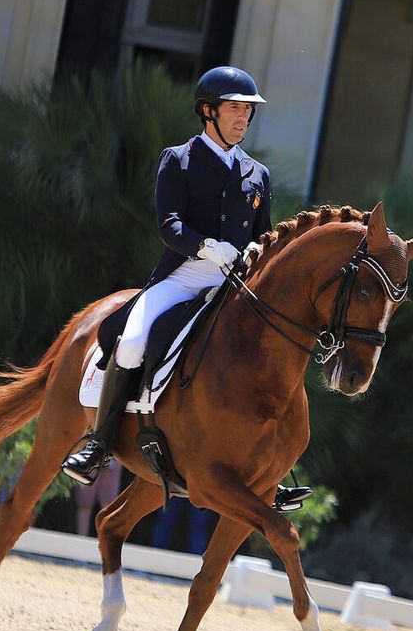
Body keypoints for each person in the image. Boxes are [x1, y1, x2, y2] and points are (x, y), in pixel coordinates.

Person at [60, 66, 309, 512]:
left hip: (237, 283)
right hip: (186, 274)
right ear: (208, 111)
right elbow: (169, 225)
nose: (243, 119)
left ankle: (275, 470)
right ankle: (99, 443)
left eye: (247, 111)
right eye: (234, 109)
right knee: (133, 341)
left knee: (271, 354)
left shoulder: (258, 173)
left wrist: (253, 251)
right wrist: (207, 247)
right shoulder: (179, 158)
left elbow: (265, 234)